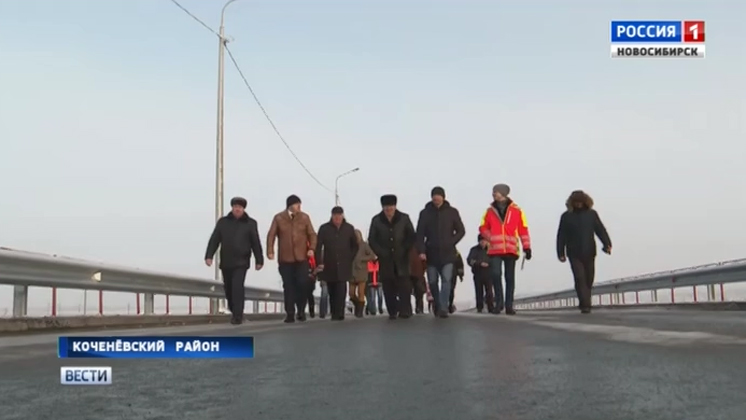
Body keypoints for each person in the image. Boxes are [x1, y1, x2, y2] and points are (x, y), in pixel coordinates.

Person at [204, 197, 264, 325]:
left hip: (242, 262)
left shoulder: (250, 223)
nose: (237, 209)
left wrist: (259, 260)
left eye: (240, 207)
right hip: (226, 261)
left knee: (237, 287)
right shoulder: (223, 222)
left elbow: (255, 242)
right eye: (235, 206)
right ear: (232, 208)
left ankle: (238, 315)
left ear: (243, 209)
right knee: (229, 289)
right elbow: (215, 239)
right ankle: (234, 310)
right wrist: (209, 256)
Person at [479, 183, 531, 315]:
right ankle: (499, 303)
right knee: (496, 275)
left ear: (503, 193)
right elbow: (482, 227)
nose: (493, 194)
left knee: (509, 277)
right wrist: (490, 237)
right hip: (495, 249)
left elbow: (523, 229)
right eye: (493, 192)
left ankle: (509, 305)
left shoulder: (517, 210)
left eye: (495, 192)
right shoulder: (489, 211)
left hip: (511, 249)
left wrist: (527, 247)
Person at [556, 190, 612, 314]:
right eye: (576, 202)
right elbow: (561, 235)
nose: (578, 204)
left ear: (585, 201)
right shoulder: (566, 216)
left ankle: (584, 301)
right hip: (573, 253)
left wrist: (607, 244)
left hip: (589, 251)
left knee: (589, 279)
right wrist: (560, 253)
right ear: (572, 203)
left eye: (580, 202)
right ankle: (585, 305)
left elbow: (600, 230)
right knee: (579, 277)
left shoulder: (592, 214)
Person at [415, 186, 466, 318]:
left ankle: (443, 307)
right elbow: (419, 234)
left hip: (448, 253)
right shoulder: (425, 213)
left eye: (438, 196)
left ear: (443, 197)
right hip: (431, 253)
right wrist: (421, 250)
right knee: (432, 281)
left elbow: (461, 230)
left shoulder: (452, 212)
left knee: (446, 280)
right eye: (434, 196)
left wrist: (451, 241)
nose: (436, 198)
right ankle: (437, 304)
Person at [267, 194, 317, 323]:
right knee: (288, 286)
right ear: (290, 205)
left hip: (302, 258)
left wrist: (311, 248)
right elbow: (271, 235)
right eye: (297, 204)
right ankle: (290, 313)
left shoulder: (304, 218)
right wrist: (270, 251)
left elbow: (312, 234)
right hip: (285, 259)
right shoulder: (279, 218)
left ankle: (301, 310)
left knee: (302, 284)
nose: (299, 206)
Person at [368, 194, 417, 320]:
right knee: (388, 285)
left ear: (395, 206)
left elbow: (411, 235)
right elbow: (372, 239)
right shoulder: (376, 220)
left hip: (402, 258)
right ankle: (392, 310)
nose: (388, 210)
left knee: (404, 286)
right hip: (385, 259)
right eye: (386, 207)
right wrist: (380, 252)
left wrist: (405, 248)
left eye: (391, 207)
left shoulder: (404, 218)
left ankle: (405, 310)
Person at [315, 206, 358, 321]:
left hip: (344, 264)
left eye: (339, 216)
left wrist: (350, 257)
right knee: (332, 290)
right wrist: (319, 262)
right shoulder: (324, 229)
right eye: (335, 216)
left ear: (342, 216)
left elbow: (355, 246)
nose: (337, 218)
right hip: (329, 264)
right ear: (332, 216)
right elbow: (318, 247)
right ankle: (334, 312)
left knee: (341, 289)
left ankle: (340, 313)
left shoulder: (349, 228)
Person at [351, 229, 377, 318]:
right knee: (351, 293)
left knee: (361, 292)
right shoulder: (349, 246)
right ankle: (357, 304)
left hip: (362, 271)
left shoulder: (364, 245)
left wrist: (362, 259)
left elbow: (372, 256)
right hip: (351, 271)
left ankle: (360, 312)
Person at [467, 234, 494, 313]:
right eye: (481, 241)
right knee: (479, 291)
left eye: (484, 241)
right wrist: (479, 263)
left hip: (488, 273)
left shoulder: (491, 249)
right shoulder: (474, 250)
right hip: (478, 273)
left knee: (489, 291)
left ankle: (490, 307)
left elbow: (494, 260)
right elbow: (470, 260)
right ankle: (479, 307)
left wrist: (489, 264)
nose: (483, 243)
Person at [408, 245, 427, 314]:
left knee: (408, 292)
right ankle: (419, 308)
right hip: (418, 273)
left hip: (410, 273)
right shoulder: (420, 247)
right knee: (419, 292)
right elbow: (424, 261)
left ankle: (409, 308)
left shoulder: (407, 246)